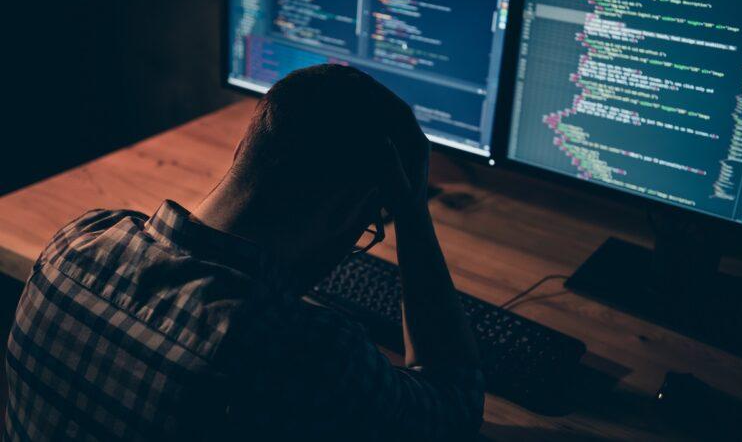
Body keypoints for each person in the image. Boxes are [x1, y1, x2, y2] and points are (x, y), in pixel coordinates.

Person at [4, 65, 484, 441]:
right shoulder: (307, 356)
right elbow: (453, 403)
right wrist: (413, 213)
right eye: (366, 230)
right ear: (344, 214)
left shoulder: (76, 242)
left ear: (241, 150)